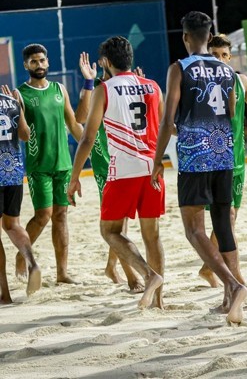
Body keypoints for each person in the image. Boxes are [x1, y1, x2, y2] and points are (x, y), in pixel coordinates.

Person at [152, 11, 247, 325]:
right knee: (223, 225)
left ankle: (233, 285)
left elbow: (168, 119)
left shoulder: (179, 68)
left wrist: (157, 160)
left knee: (194, 230)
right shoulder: (227, 69)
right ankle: (229, 298)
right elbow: (231, 112)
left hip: (195, 157)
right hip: (224, 154)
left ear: (185, 37)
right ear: (209, 36)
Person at [67, 36, 165, 309]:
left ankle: (148, 275)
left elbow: (87, 137)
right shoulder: (153, 86)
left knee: (110, 231)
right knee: (152, 236)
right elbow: (165, 127)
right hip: (152, 168)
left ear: (106, 62)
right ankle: (158, 301)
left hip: (123, 170)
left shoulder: (105, 89)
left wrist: (74, 177)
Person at [197, 33, 247, 295]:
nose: (220, 59)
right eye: (214, 55)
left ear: (230, 58)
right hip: (212, 161)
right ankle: (237, 279)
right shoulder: (199, 84)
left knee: (228, 218)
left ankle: (209, 267)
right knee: (228, 217)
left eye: (224, 55)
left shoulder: (241, 81)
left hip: (237, 161)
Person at [74, 52, 143, 292]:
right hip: (106, 162)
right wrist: (88, 81)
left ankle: (111, 267)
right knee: (117, 222)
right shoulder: (97, 87)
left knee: (121, 221)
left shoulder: (126, 85)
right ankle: (132, 277)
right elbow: (80, 117)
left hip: (128, 158)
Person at [16, 44, 83, 284]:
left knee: (61, 216)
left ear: (48, 62)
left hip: (63, 165)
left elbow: (73, 124)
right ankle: (21, 255)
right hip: (38, 166)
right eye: (34, 62)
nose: (39, 65)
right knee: (43, 215)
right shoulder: (20, 94)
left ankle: (62, 273)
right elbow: (21, 134)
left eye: (42, 60)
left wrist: (92, 145)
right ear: (26, 65)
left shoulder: (59, 89)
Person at [0, 85, 41, 303]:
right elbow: (25, 135)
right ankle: (32, 262)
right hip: (13, 171)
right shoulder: (11, 100)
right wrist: (18, 107)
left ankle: (5, 294)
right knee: (13, 225)